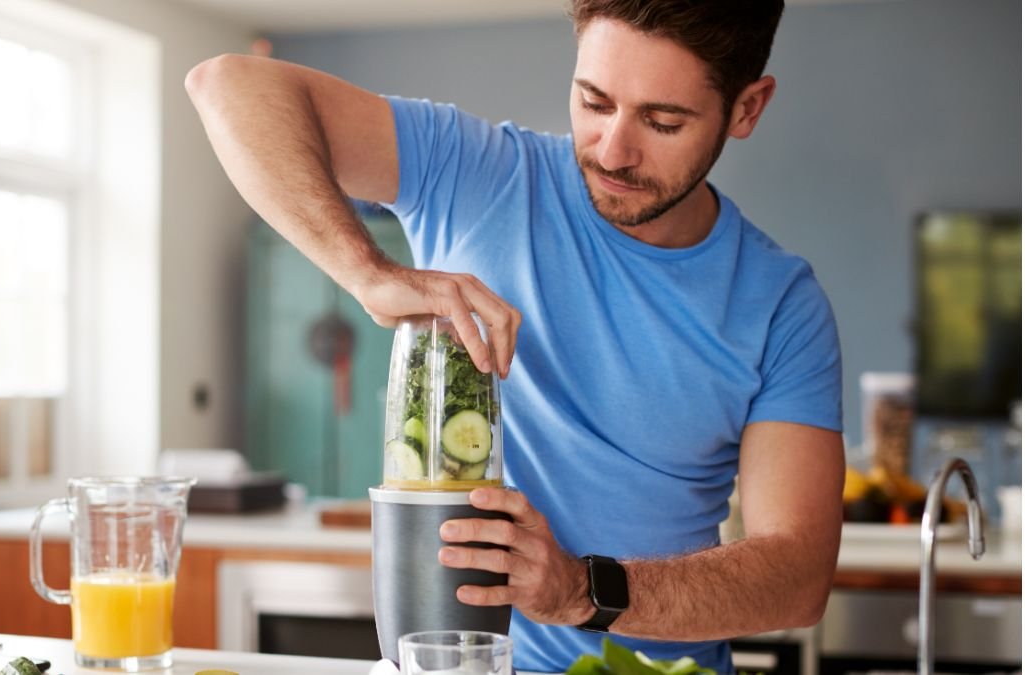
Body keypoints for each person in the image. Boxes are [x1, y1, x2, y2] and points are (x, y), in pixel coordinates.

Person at [186, 0, 844, 672]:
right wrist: (367, 272)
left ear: (746, 109)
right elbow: (228, 85)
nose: (614, 149)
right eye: (593, 101)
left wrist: (580, 590)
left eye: (663, 120)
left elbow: (797, 575)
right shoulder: (478, 173)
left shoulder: (781, 304)